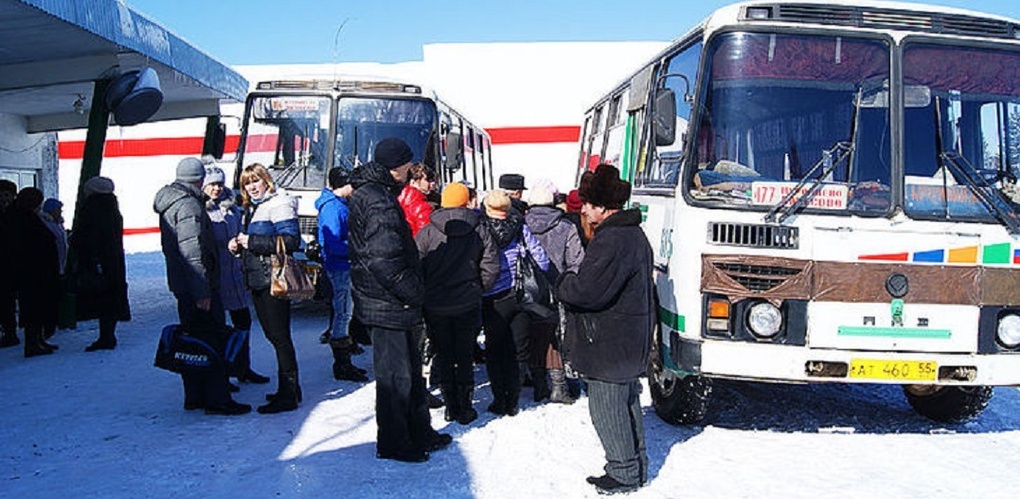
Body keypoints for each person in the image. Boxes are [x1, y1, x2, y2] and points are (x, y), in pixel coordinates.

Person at [349, 137, 451, 463]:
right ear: (398, 166)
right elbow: (384, 260)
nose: (411, 169)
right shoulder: (377, 200)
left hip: (391, 301)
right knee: (395, 378)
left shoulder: (379, 194)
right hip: (387, 302)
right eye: (408, 163)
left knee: (409, 373)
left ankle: (419, 430)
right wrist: (414, 293)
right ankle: (394, 441)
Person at [557, 164, 654, 495]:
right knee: (626, 403)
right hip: (627, 337)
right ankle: (634, 465)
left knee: (607, 407)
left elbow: (588, 291)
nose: (583, 210)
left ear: (602, 205)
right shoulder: (633, 234)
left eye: (587, 203)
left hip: (610, 340)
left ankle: (624, 472)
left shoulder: (612, 239)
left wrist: (564, 282)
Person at [154, 159, 250, 416]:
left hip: (182, 285)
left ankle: (194, 394)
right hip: (198, 288)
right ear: (198, 180)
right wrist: (203, 292)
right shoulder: (189, 206)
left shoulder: (172, 201)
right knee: (210, 341)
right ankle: (218, 398)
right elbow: (193, 251)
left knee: (192, 342)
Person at [415, 182, 499, 425]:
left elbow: (416, 266)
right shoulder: (479, 229)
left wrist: (425, 293)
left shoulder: (428, 231)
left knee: (442, 352)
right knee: (464, 353)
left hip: (435, 304)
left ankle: (450, 405)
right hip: (467, 302)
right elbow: (491, 264)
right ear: (466, 201)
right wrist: (478, 288)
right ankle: (465, 406)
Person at [229, 163, 303, 414]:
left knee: (279, 336)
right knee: (275, 336)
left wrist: (252, 241)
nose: (252, 187)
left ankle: (289, 394)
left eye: (256, 181)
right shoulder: (254, 207)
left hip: (273, 279)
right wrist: (240, 246)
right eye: (247, 183)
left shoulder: (278, 203)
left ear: (266, 181)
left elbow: (292, 240)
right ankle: (291, 389)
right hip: (260, 278)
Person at [479, 189, 549, 417]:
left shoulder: (481, 228)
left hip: (491, 297)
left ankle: (499, 399)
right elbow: (541, 259)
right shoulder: (520, 226)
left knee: (495, 348)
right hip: (519, 294)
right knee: (518, 349)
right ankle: (513, 399)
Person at [202, 166, 269, 386]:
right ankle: (221, 371)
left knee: (243, 323)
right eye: (212, 184)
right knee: (218, 327)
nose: (216, 188)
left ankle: (243, 367)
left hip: (237, 273)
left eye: (219, 184)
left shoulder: (232, 207)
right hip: (218, 275)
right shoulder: (203, 210)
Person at [524, 184, 583, 404]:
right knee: (555, 337)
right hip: (557, 288)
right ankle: (559, 387)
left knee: (533, 333)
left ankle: (539, 385)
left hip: (528, 289)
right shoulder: (566, 226)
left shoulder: (522, 224)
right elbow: (577, 261)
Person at [315, 167, 367, 382]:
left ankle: (345, 359)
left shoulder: (339, 205)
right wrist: (359, 247)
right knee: (342, 313)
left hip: (345, 265)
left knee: (345, 311)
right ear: (344, 185)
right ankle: (342, 363)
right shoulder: (333, 209)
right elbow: (332, 244)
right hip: (340, 267)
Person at [69, 176, 131, 352]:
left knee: (101, 298)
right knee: (110, 298)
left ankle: (105, 337)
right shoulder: (112, 207)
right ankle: (108, 334)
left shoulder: (92, 209)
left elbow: (86, 237)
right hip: (112, 262)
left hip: (97, 262)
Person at [10, 187, 61, 357]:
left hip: (33, 271)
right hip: (33, 272)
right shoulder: (25, 219)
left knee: (36, 307)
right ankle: (33, 343)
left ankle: (38, 340)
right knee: (34, 308)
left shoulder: (24, 217)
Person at [0, 179, 20, 348]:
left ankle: (10, 332)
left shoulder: (17, 215)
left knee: (7, 301)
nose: (3, 199)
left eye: (6, 195)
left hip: (11, 265)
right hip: (7, 264)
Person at [397, 162, 435, 237]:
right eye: (428, 179)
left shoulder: (398, 200)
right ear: (413, 182)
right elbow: (426, 237)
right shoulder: (423, 207)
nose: (433, 183)